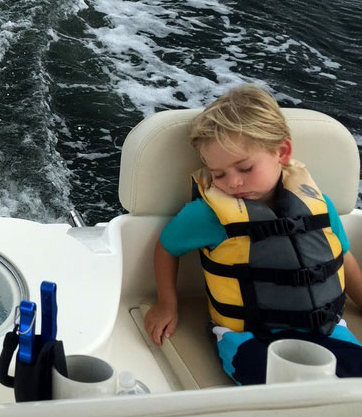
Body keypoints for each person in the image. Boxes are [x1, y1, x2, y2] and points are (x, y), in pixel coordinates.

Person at [143, 84, 362, 384]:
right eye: (218, 174)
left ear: (281, 152)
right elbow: (167, 247)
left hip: (328, 330)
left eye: (244, 168)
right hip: (250, 338)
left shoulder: (318, 205)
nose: (233, 182)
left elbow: (342, 258)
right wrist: (167, 303)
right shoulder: (207, 215)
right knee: (277, 393)